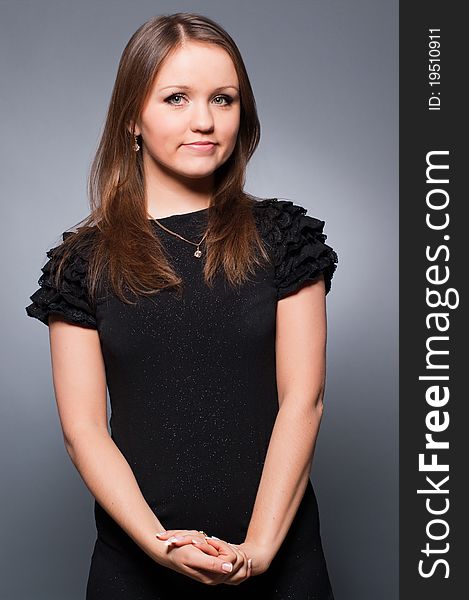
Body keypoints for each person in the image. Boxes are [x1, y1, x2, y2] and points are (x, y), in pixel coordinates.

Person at [25, 12, 338, 599]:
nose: (204, 121)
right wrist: (159, 544)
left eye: (223, 99)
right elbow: (85, 430)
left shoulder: (283, 237)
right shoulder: (81, 264)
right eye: (176, 98)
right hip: (137, 565)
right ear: (131, 120)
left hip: (280, 560)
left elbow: (305, 400)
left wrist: (260, 549)